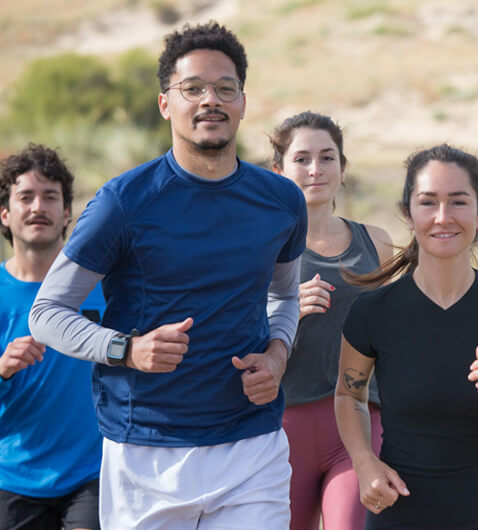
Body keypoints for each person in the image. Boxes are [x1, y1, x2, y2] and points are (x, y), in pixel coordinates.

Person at [29, 22, 307, 529]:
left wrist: (278, 354)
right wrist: (127, 350)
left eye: (226, 88)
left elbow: (285, 297)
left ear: (243, 102)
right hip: (145, 453)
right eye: (193, 88)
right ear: (165, 104)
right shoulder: (123, 203)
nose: (211, 101)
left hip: (252, 446)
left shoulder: (281, 200)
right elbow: (47, 314)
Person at [334, 144, 478, 529]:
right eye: (428, 202)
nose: (442, 217)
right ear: (408, 213)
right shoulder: (373, 311)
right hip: (396, 511)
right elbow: (348, 394)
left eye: (458, 202)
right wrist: (364, 461)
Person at [269, 111, 393, 530]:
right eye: (301, 158)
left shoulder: (376, 242)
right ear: (279, 170)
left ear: (343, 169)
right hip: (284, 425)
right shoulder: (261, 249)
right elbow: (233, 336)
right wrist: (286, 309)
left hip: (361, 420)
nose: (315, 169)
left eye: (327, 157)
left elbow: (397, 334)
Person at [0, 144, 105, 530]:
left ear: (66, 214)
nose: (37, 207)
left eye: (50, 197)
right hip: (13, 480)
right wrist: (2, 369)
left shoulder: (102, 286)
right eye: (25, 197)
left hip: (93, 474)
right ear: (5, 214)